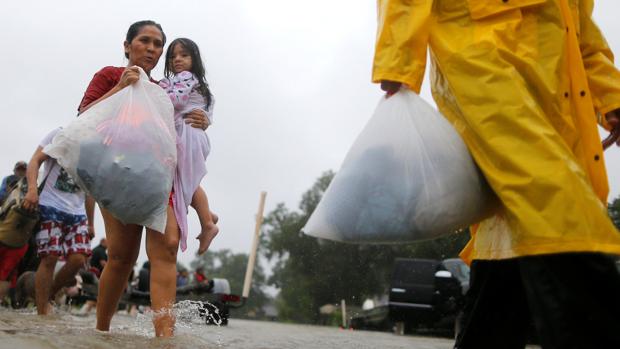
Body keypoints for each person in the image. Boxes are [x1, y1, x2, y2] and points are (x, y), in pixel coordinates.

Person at [373, 1, 620, 348]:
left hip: (555, 84)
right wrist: (397, 60)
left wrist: (611, 96)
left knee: (513, 222)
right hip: (480, 54)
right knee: (553, 198)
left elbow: (578, 26)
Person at [77, 20, 210, 337]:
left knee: (167, 248)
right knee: (122, 257)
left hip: (157, 177)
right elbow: (83, 118)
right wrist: (120, 87)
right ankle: (101, 332)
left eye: (157, 44)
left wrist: (202, 120)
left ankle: (165, 338)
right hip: (117, 175)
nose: (152, 48)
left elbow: (179, 130)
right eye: (144, 41)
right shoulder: (110, 74)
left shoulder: (164, 89)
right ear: (127, 45)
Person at [22, 128, 94, 315]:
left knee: (79, 259)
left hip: (77, 212)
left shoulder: (96, 147)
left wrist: (91, 222)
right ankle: (42, 311)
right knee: (50, 257)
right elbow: (35, 160)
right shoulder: (61, 135)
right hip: (50, 204)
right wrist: (32, 189)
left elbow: (90, 189)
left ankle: (50, 295)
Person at [160, 38, 220, 255]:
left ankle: (207, 224)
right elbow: (208, 112)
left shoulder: (185, 78)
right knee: (185, 180)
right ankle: (207, 215)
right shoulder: (202, 87)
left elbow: (174, 101)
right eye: (173, 56)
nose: (177, 59)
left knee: (185, 181)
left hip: (186, 134)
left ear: (194, 59)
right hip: (194, 135)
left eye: (184, 55)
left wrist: (155, 91)